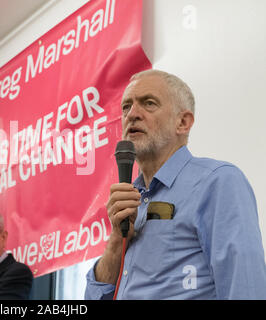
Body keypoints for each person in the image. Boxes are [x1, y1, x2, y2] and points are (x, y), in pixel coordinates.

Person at [85, 69, 266, 299]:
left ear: (183, 122)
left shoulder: (217, 182)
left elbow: (245, 287)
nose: (132, 114)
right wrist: (116, 242)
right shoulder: (128, 201)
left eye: (148, 104)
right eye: (126, 107)